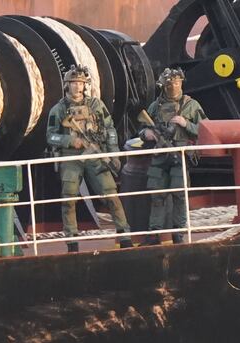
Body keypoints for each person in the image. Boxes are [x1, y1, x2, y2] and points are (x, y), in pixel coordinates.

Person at [46, 65, 132, 253]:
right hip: (71, 158)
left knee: (111, 195)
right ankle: (72, 240)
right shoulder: (59, 109)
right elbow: (50, 136)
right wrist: (70, 140)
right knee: (68, 198)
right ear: (67, 85)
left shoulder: (96, 105)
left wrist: (112, 153)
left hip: (95, 155)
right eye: (73, 83)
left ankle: (124, 235)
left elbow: (109, 129)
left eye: (80, 83)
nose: (77, 87)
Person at [141, 68, 206, 245]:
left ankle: (178, 234)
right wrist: (146, 133)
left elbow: (206, 130)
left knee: (179, 195)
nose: (174, 87)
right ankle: (154, 233)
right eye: (170, 83)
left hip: (180, 154)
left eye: (177, 83)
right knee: (157, 195)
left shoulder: (191, 105)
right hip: (160, 155)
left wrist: (187, 124)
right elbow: (141, 127)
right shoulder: (156, 106)